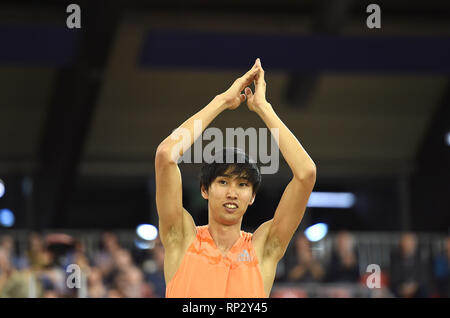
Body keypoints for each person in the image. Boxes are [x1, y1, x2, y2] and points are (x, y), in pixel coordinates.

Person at [155, 58, 316, 297]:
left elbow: (306, 173)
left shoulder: (263, 249)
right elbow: (166, 155)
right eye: (223, 182)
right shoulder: (181, 239)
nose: (232, 193)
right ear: (204, 190)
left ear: (252, 196)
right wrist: (222, 101)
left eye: (242, 185)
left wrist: (263, 107)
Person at [389, 232, 430, 298]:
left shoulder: (421, 257)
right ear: (401, 244)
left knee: (424, 289)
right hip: (400, 287)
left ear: (414, 244)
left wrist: (414, 286)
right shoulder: (395, 257)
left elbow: (424, 276)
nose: (407, 245)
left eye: (410, 243)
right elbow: (394, 276)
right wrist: (402, 288)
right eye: (405, 243)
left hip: (416, 287)